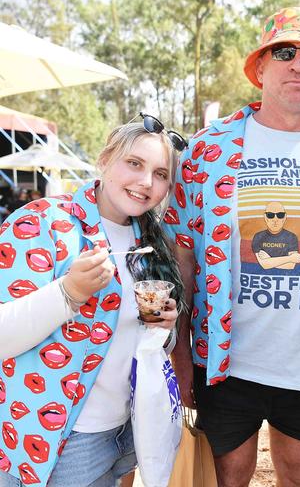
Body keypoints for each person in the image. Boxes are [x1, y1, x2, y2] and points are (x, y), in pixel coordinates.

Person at [164, 7, 300, 487]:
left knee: (299, 477)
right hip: (227, 360)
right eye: (283, 52)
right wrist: (180, 355)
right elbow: (182, 258)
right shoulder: (207, 152)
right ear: (261, 69)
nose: (297, 64)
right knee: (228, 480)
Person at [0, 115, 185, 486]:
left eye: (160, 174)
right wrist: (69, 292)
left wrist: (165, 330)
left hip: (127, 431)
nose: (146, 182)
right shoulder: (40, 223)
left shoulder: (151, 242)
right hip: (62, 439)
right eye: (134, 163)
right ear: (105, 160)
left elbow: (137, 341)